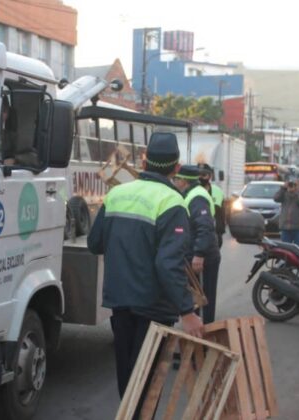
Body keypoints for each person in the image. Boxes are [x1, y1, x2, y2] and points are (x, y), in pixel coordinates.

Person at [87, 132, 204, 398]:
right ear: (176, 167)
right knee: (147, 385)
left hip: (120, 301)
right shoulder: (172, 202)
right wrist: (187, 311)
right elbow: (168, 264)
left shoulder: (117, 193)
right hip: (154, 307)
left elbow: (95, 244)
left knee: (127, 381)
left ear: (143, 159)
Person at [174, 165, 221, 324]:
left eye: (176, 179)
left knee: (203, 299)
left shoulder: (197, 197)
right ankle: (198, 337)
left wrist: (199, 254)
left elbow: (204, 226)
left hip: (203, 256)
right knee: (196, 298)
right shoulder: (191, 194)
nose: (174, 182)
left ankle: (205, 336)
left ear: (184, 181)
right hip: (197, 253)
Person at [273, 178, 299, 247]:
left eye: (295, 184)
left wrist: (296, 192)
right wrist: (283, 188)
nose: (292, 186)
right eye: (291, 184)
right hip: (286, 227)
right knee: (285, 250)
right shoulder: (285, 192)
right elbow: (276, 198)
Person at [198, 163, 225, 248]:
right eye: (198, 175)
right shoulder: (191, 190)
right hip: (197, 234)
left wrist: (219, 233)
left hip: (214, 234)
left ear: (210, 176)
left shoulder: (217, 191)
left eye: (203, 175)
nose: (200, 178)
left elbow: (221, 214)